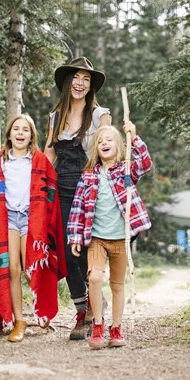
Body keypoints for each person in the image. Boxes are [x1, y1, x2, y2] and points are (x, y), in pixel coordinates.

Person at [0, 114, 67, 343]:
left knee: (32, 267)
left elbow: (50, 189)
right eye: (16, 129)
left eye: (25, 130)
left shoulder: (38, 161)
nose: (20, 133)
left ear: (31, 136)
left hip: (31, 218)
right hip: (7, 218)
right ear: (9, 134)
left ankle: (42, 308)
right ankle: (19, 321)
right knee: (12, 270)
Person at [67, 123, 152, 349]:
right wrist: (75, 237)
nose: (104, 143)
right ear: (96, 147)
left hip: (121, 239)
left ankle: (116, 328)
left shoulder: (126, 171)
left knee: (117, 284)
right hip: (97, 238)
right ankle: (97, 325)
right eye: (100, 141)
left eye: (109, 140)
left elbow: (145, 164)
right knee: (94, 278)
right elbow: (77, 208)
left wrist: (134, 138)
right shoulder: (88, 177)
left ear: (120, 146)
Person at [44, 56, 111, 340]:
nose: (80, 83)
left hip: (91, 186)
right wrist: (40, 186)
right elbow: (49, 154)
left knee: (86, 248)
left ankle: (97, 304)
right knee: (66, 249)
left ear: (90, 85)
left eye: (85, 79)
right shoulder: (55, 117)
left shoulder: (100, 115)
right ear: (67, 82)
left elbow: (109, 147)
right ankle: (82, 310)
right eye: (75, 78)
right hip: (62, 186)